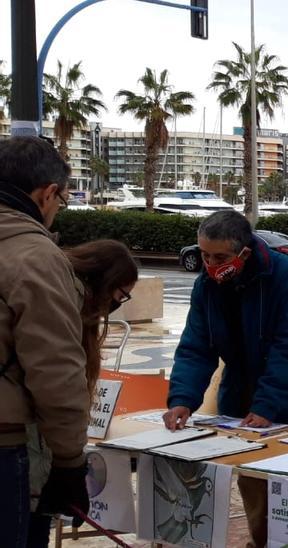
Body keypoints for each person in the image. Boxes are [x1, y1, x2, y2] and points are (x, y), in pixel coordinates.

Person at [163, 211, 288, 547]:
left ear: (245, 251)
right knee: (255, 490)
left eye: (220, 257)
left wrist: (268, 404)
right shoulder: (206, 286)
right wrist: (182, 398)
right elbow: (196, 346)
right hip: (239, 402)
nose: (210, 264)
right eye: (205, 255)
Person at [0, 137, 91, 546]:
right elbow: (55, 369)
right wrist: (70, 462)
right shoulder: (34, 256)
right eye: (61, 200)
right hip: (6, 447)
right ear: (47, 193)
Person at [27, 240, 137, 546]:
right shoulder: (61, 306)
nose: (118, 304)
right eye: (121, 295)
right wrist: (69, 462)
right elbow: (57, 386)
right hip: (29, 452)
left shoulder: (63, 300)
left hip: (39, 453)